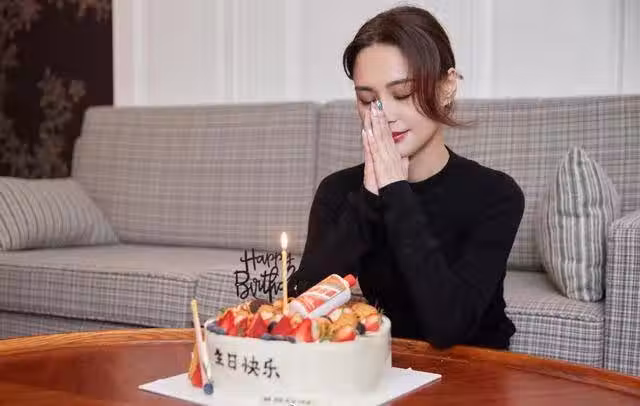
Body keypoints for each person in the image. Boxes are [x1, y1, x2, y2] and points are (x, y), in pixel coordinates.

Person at [288, 6, 524, 350]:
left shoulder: (496, 194)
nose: (384, 115)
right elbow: (299, 307)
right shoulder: (339, 192)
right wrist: (370, 198)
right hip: (385, 363)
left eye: (402, 94)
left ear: (446, 87)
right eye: (368, 99)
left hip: (474, 366)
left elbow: (448, 328)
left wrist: (396, 191)